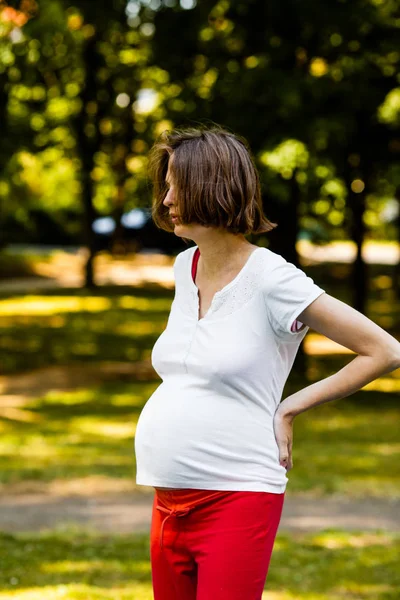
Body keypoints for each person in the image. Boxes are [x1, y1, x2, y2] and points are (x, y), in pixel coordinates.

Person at [134, 126, 400, 600]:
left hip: (236, 496)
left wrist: (290, 407)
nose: (167, 197)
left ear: (213, 186)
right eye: (167, 183)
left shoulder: (273, 278)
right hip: (167, 499)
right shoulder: (184, 266)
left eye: (179, 184)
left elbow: (384, 350)